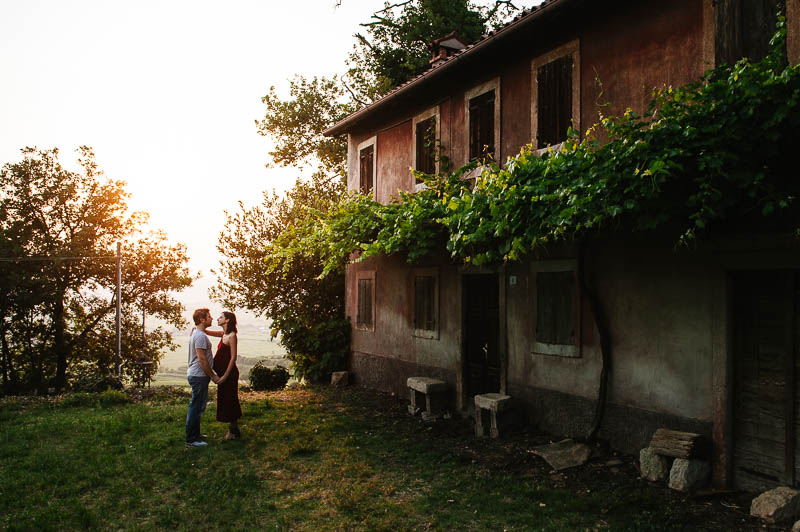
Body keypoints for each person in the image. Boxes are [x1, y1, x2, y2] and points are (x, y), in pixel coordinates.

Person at [204, 311, 242, 439]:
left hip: (229, 375)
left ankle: (233, 431)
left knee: (231, 400)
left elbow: (233, 358)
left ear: (227, 320)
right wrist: (199, 329)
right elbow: (207, 332)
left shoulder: (232, 336)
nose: (218, 319)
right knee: (225, 399)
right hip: (222, 373)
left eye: (221, 317)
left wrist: (225, 376)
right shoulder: (223, 334)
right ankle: (234, 430)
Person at [185, 308, 219, 448]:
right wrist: (213, 376)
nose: (212, 318)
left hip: (199, 376)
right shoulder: (200, 336)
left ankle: (196, 434)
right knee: (196, 406)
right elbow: (202, 359)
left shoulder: (198, 333)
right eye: (209, 316)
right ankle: (192, 439)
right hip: (198, 376)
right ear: (202, 320)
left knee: (198, 406)